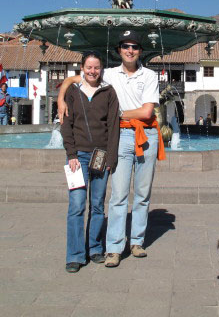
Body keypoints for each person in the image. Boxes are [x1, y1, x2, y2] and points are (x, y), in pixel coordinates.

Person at [57, 30, 163, 268]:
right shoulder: (109, 74)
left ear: (140, 51)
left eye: (135, 47)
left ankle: (136, 241)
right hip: (119, 137)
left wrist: (117, 113)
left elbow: (147, 112)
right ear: (119, 50)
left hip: (145, 135)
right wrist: (61, 97)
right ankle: (113, 247)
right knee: (116, 195)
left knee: (142, 194)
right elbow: (76, 80)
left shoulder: (149, 75)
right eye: (126, 46)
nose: (130, 50)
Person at [60, 51, 119, 273]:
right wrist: (71, 154)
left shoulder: (109, 92)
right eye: (88, 67)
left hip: (101, 155)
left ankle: (94, 248)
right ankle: (74, 255)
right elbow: (66, 124)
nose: (92, 71)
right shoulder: (73, 93)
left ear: (101, 69)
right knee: (76, 205)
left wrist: (111, 157)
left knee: (97, 204)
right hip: (78, 157)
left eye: (96, 68)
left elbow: (113, 127)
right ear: (82, 69)